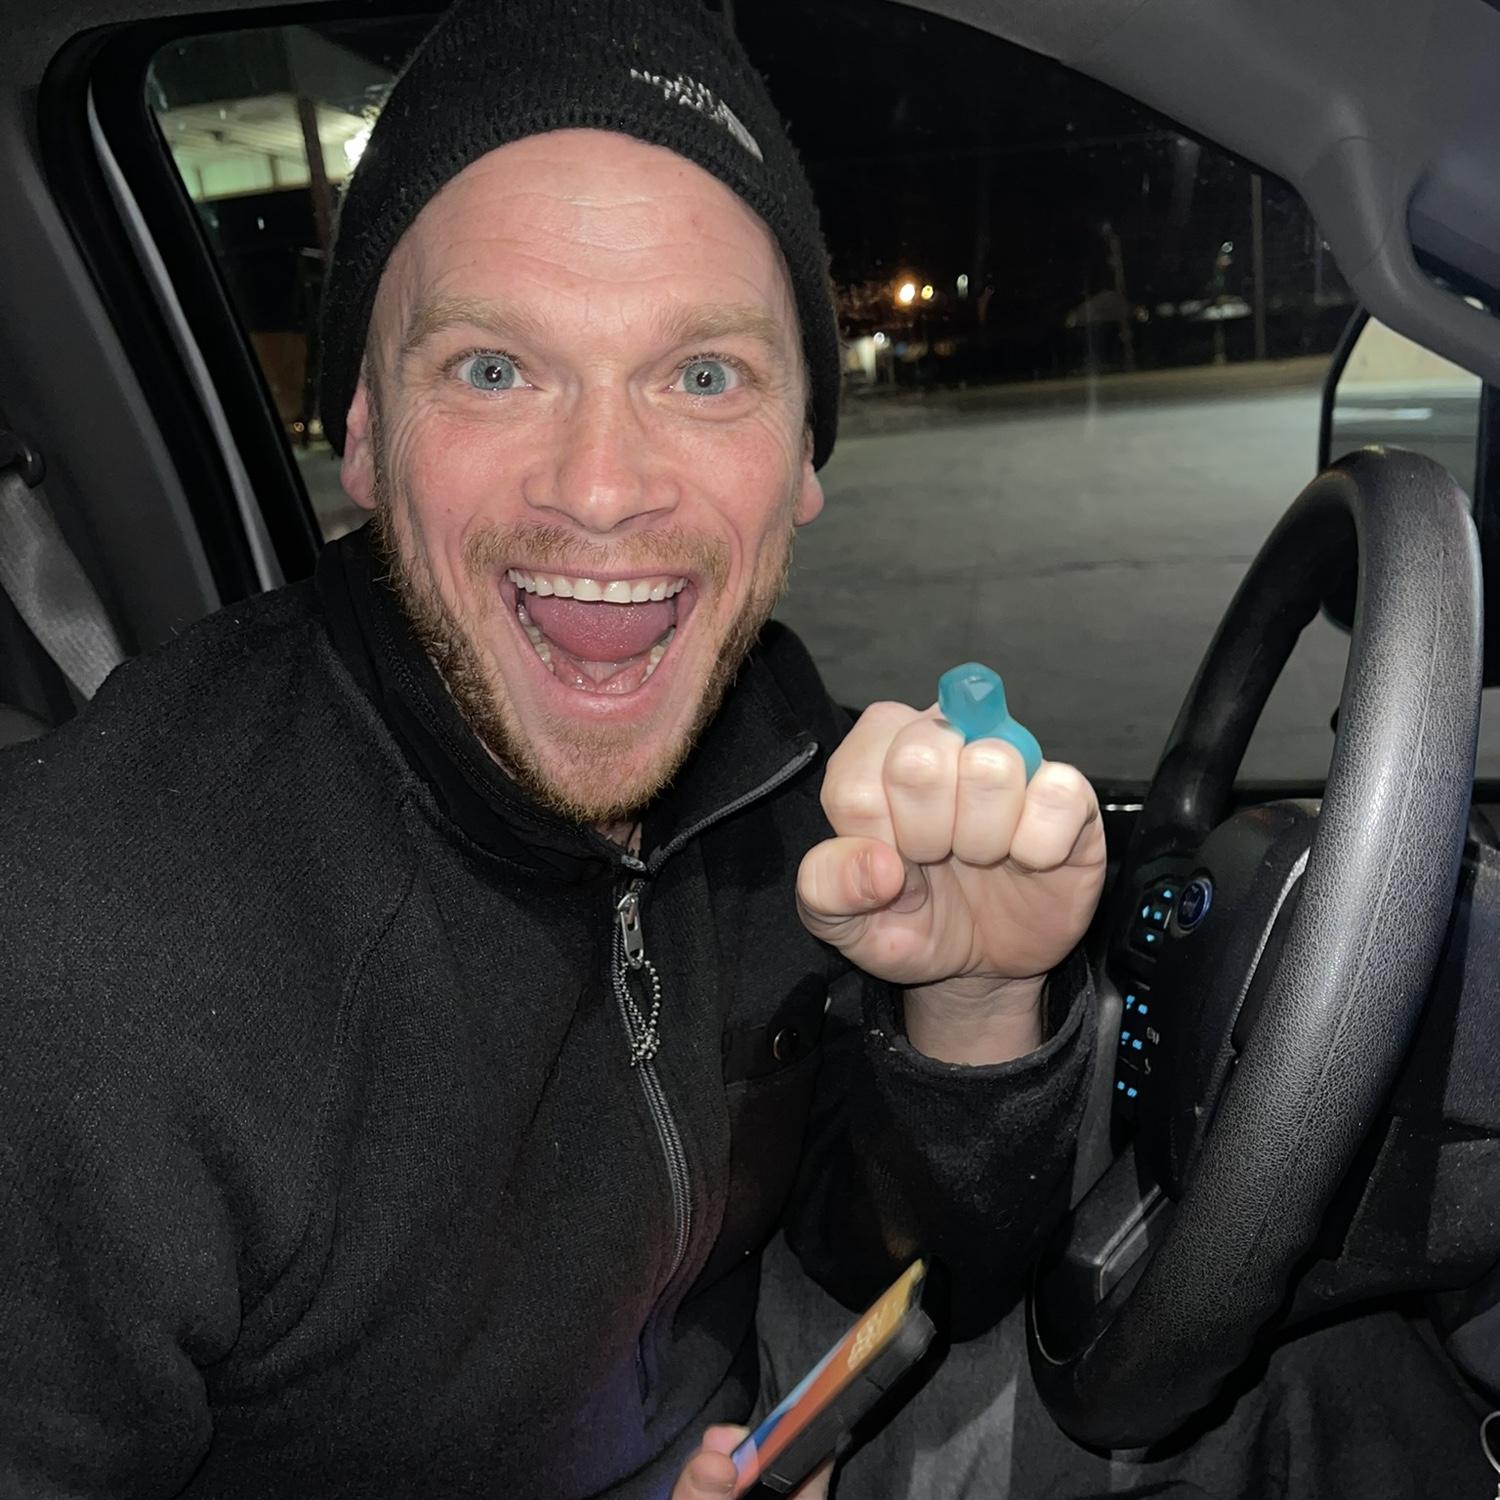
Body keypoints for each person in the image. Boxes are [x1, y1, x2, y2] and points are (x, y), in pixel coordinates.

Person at [0, 1, 1107, 1496]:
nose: (600, 488)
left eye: (702, 376)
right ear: (367, 435)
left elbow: (895, 1265)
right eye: (493, 369)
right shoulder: (80, 952)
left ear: (801, 458)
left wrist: (971, 1009)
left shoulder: (779, 755)